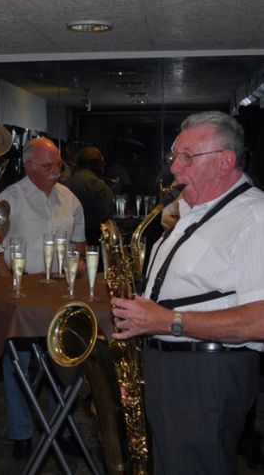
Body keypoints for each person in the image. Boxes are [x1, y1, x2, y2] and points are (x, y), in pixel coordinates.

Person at [110, 111, 264, 475]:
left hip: (206, 373)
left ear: (225, 162)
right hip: (176, 367)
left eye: (187, 157)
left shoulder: (255, 217)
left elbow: (259, 321)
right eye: (174, 156)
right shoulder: (194, 210)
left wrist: (167, 321)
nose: (174, 168)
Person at [0, 137, 86, 459]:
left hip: (59, 289)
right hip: (22, 288)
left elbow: (79, 244)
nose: (56, 170)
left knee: (62, 360)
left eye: (58, 164)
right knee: (18, 364)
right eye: (47, 165)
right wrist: (12, 290)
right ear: (28, 166)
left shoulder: (69, 198)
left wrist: (76, 269)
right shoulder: (9, 199)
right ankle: (21, 433)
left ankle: (64, 428)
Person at [63, 146, 113, 245]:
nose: (102, 168)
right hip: (93, 240)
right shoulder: (100, 186)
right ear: (95, 164)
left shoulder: (65, 185)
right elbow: (106, 219)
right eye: (101, 163)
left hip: (68, 237)